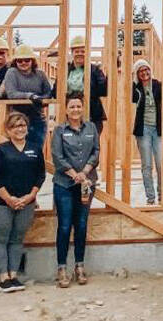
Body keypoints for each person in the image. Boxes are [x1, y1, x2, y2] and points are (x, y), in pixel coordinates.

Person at [0, 112, 46, 293]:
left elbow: (40, 175)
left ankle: (13, 275)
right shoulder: (0, 149)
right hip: (0, 203)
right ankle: (3, 278)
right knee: (1, 240)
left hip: (26, 203)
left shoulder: (35, 148)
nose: (20, 129)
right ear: (8, 130)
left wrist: (31, 196)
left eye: (23, 125)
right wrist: (9, 199)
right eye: (15, 126)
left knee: (17, 240)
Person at [50, 92, 99, 288]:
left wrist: (85, 171)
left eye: (78, 106)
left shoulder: (91, 128)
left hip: (86, 184)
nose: (76, 110)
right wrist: (74, 174)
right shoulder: (60, 131)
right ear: (66, 109)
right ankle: (61, 267)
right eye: (72, 106)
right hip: (64, 184)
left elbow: (96, 151)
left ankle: (79, 265)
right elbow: (57, 156)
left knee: (81, 224)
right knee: (64, 225)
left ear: (82, 107)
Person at [3, 44, 52, 146]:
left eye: (27, 60)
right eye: (19, 61)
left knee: (36, 152)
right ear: (15, 62)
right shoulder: (11, 72)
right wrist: (30, 96)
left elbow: (48, 93)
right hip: (17, 118)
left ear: (32, 61)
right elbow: (11, 94)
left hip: (37, 118)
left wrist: (41, 100)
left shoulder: (40, 74)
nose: (23, 63)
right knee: (17, 152)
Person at [132, 59, 163, 205]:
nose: (145, 73)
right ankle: (150, 198)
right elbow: (131, 98)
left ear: (150, 71)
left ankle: (162, 195)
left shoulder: (158, 85)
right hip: (143, 129)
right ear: (138, 74)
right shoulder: (136, 88)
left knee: (160, 163)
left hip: (157, 129)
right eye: (141, 71)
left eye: (146, 70)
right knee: (147, 165)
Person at [66, 35, 109, 135]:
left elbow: (103, 91)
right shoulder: (66, 70)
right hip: (70, 115)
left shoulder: (94, 70)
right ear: (72, 53)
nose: (80, 54)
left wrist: (109, 75)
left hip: (92, 115)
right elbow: (56, 92)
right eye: (77, 51)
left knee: (91, 146)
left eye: (83, 51)